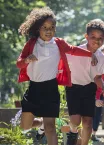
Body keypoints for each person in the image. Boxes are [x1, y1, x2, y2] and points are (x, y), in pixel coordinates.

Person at [16, 7, 96, 145]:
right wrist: (27, 60)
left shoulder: (58, 43)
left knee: (50, 127)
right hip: (34, 89)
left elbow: (73, 49)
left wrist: (90, 54)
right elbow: (19, 64)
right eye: (44, 27)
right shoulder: (31, 44)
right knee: (25, 127)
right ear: (38, 29)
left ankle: (44, 124)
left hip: (51, 89)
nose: (48, 30)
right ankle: (39, 123)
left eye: (51, 27)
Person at [66, 19, 104, 145]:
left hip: (89, 88)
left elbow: (97, 78)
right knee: (75, 120)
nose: (97, 40)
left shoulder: (102, 57)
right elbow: (63, 59)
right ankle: (73, 131)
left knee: (88, 122)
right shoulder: (76, 51)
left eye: (100, 38)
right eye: (93, 37)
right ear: (86, 37)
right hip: (73, 87)